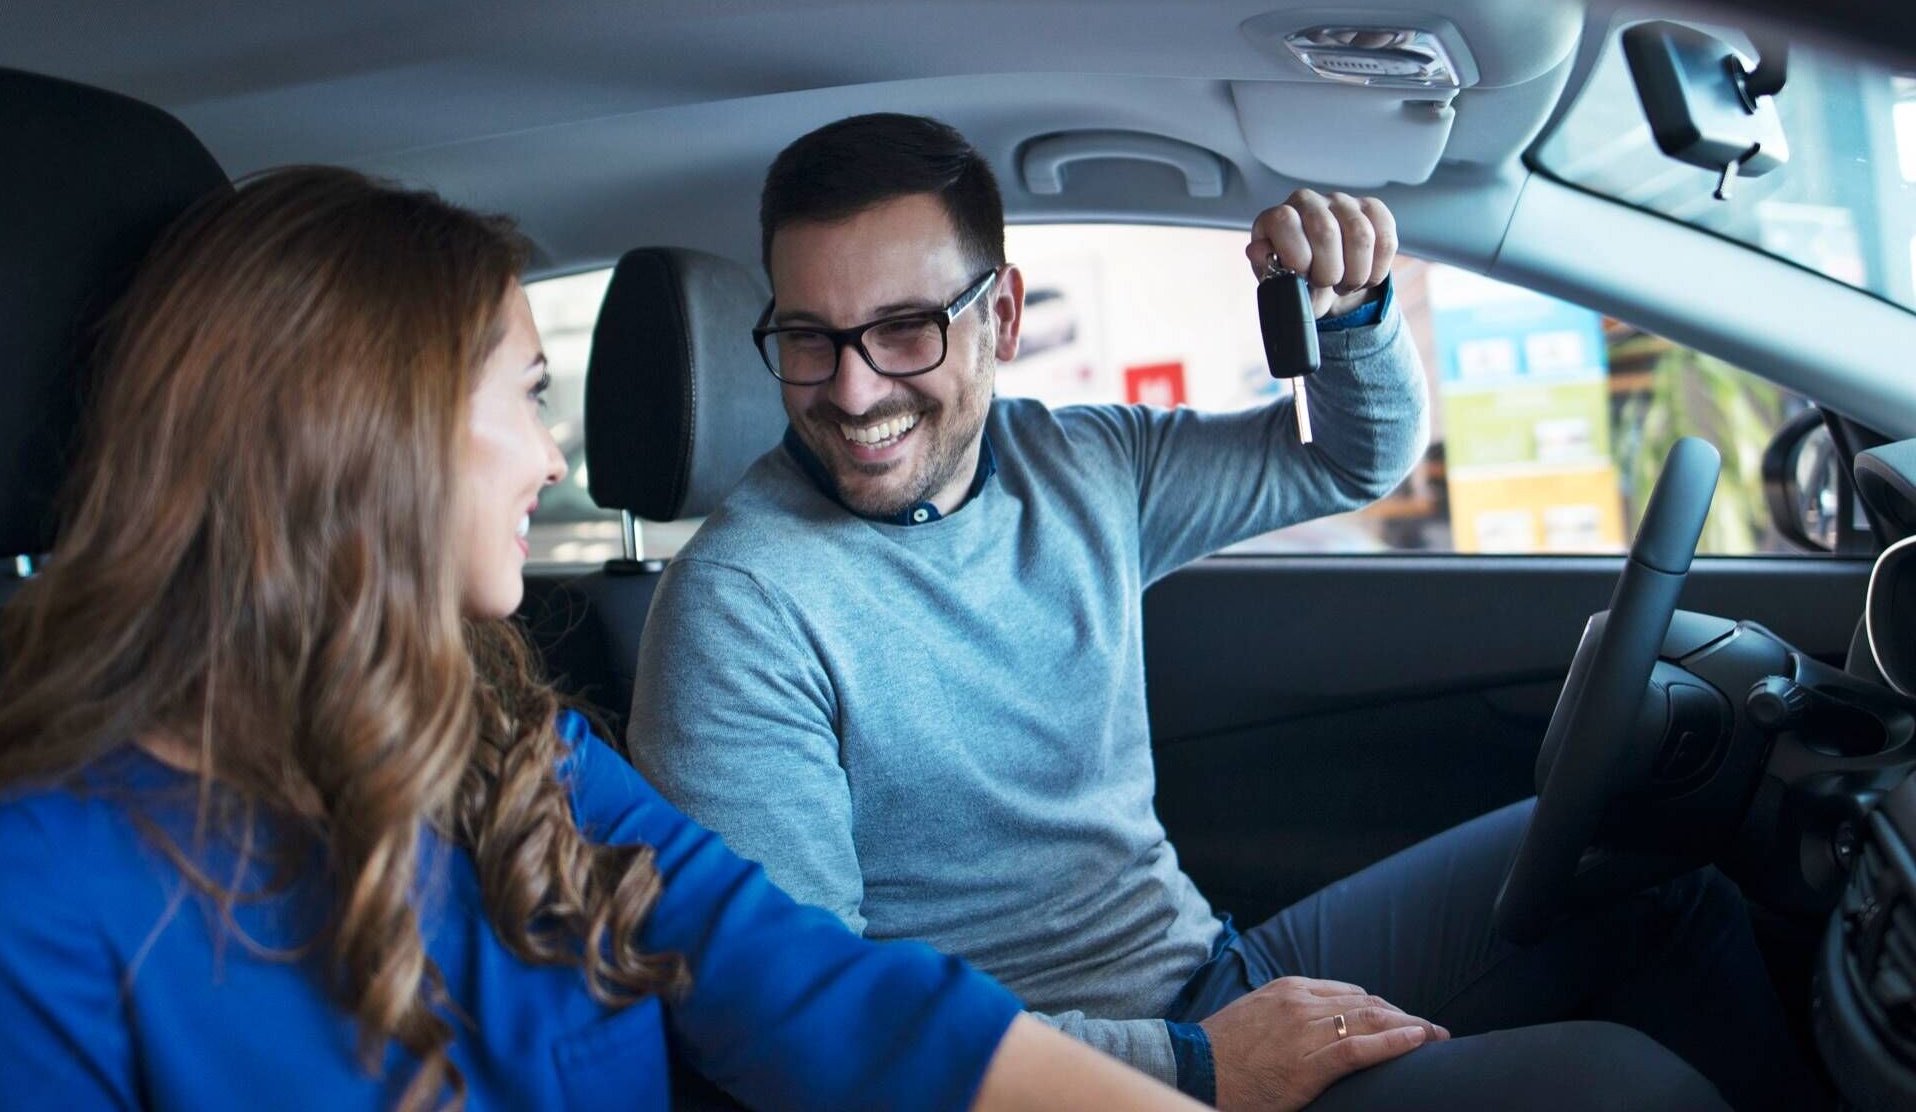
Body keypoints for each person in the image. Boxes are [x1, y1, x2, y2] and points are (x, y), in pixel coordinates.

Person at [628, 114, 1823, 1110]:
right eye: (809, 337)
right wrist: (1198, 1065)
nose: (852, 388)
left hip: (1208, 973)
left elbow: (1349, 457)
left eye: (905, 328)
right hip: (1051, 1083)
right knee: (1621, 1088)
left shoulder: (1081, 465)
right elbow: (802, 1023)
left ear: (1001, 316)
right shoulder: (740, 605)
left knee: (1644, 864)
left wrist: (1350, 312)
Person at [0, 166, 1214, 1112]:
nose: (551, 456)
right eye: (527, 393)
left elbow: (826, 998)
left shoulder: (524, 754)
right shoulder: (43, 896)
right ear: (373, 429)